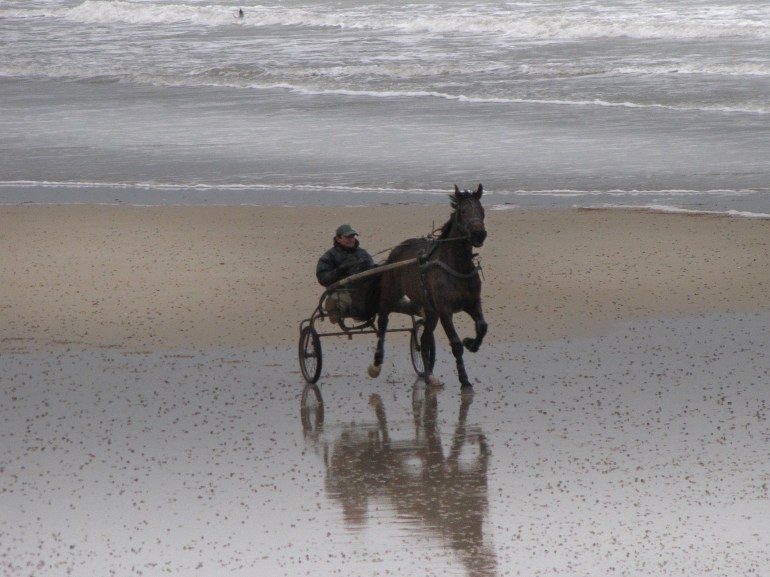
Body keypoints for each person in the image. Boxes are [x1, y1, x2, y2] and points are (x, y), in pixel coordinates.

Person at [316, 224, 377, 323]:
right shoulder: (329, 256)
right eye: (347, 237)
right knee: (343, 300)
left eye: (352, 236)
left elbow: (372, 272)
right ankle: (334, 308)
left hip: (365, 291)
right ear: (338, 239)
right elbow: (323, 279)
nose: (351, 239)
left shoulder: (363, 254)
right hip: (343, 291)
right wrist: (340, 270)